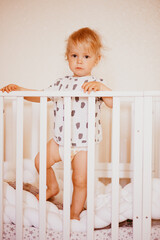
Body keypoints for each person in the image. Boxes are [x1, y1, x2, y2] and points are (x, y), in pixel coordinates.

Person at [0, 27, 113, 220]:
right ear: (67, 57)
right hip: (60, 140)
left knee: (79, 180)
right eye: (74, 55)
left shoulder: (96, 84)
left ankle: (74, 212)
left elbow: (112, 103)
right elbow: (40, 95)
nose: (79, 60)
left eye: (86, 56)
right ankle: (52, 186)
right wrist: (19, 89)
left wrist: (103, 89)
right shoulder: (61, 83)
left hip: (83, 146)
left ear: (97, 59)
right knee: (39, 161)